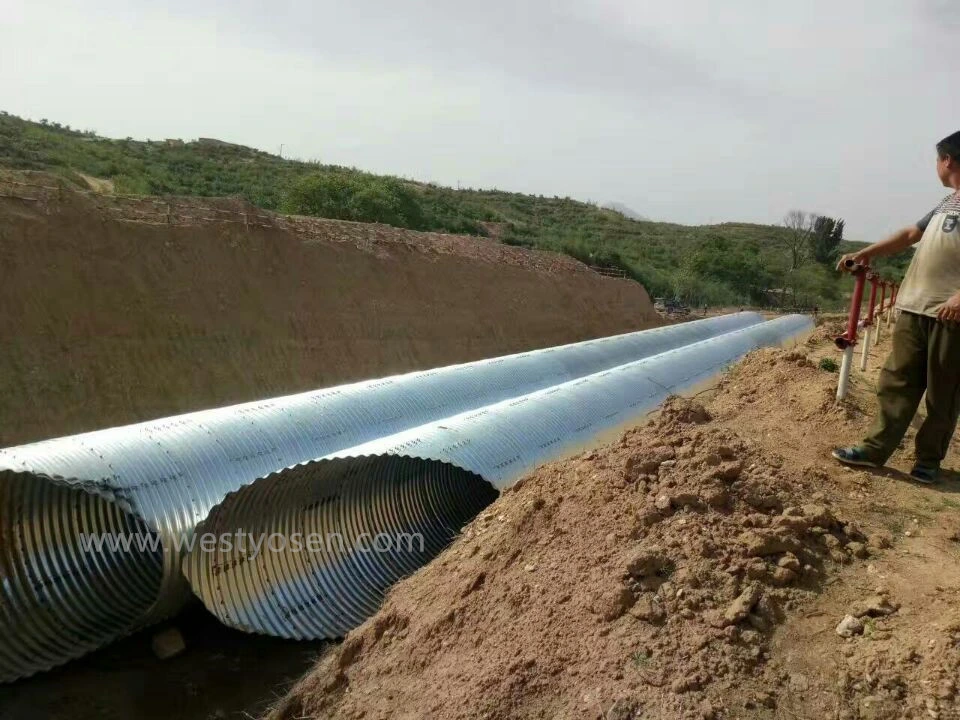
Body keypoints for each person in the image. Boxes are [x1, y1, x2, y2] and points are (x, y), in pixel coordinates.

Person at [832, 131, 960, 484]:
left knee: (943, 392)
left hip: (950, 315)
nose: (936, 165)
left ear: (947, 160)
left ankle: (928, 461)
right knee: (896, 381)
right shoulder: (946, 203)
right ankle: (875, 449)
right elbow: (909, 236)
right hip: (915, 307)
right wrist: (865, 253)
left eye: (937, 159)